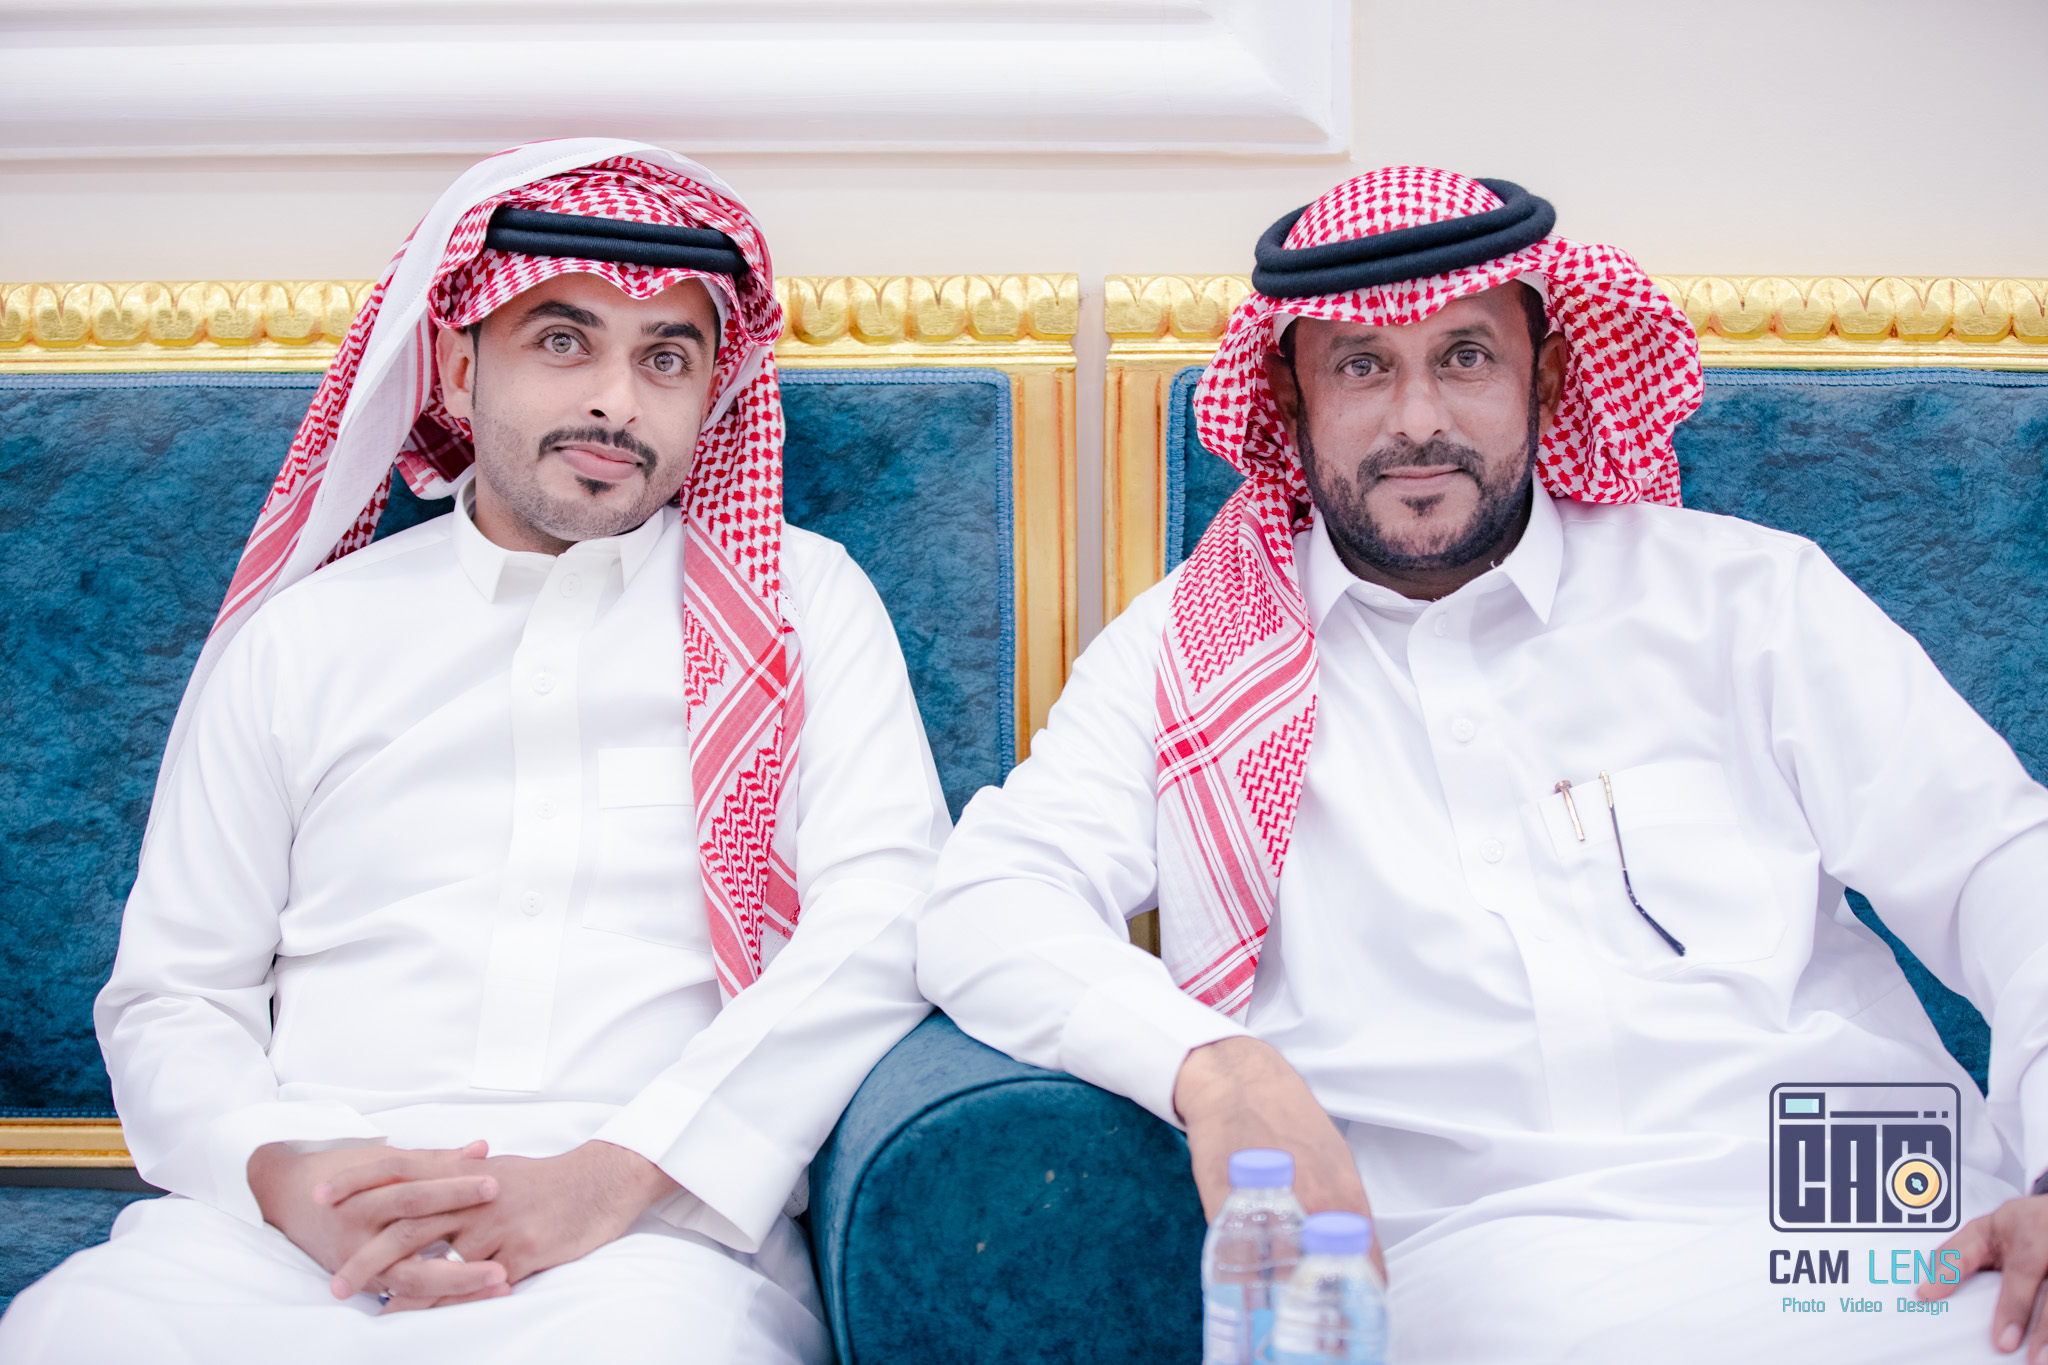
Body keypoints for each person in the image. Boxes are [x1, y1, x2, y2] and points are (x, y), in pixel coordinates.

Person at [915, 167, 2048, 1362]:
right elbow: (987, 902)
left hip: (1881, 1228)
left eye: (1463, 357)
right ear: (1287, 398)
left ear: (1543, 379)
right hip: (1483, 1276)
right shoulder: (1186, 659)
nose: (1417, 419)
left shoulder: (1743, 597)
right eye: (1361, 366)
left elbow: (1996, 862)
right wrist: (1216, 1069)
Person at [0, 139, 948, 1364]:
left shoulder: (799, 607)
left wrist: (615, 1174)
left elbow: (881, 927)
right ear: (457, 364)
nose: (616, 400)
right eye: (562, 341)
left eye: (666, 358)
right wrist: (286, 1175)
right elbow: (175, 991)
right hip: (288, 1231)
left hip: (644, 1235)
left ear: (714, 393)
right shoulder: (306, 636)